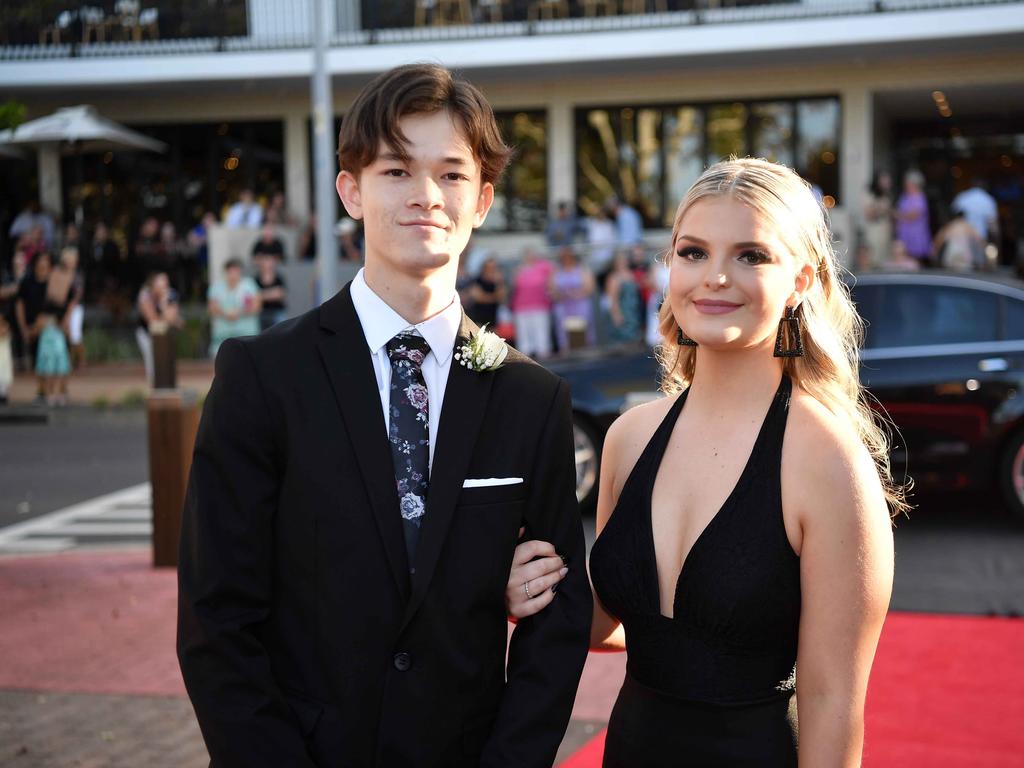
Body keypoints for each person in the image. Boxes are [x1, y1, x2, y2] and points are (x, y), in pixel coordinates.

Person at [177, 63, 591, 768]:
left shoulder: (532, 396)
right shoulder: (262, 376)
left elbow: (558, 622)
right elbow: (217, 619)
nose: (426, 195)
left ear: (483, 199)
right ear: (352, 190)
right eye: (396, 170)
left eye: (452, 175)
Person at [506, 158, 900, 766]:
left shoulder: (828, 461)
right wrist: (528, 585)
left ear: (801, 280)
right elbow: (620, 623)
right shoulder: (630, 437)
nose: (714, 277)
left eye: (751, 255)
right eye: (692, 252)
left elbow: (832, 700)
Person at [136, 271, 183, 385]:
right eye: (160, 284)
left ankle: (166, 386)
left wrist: (164, 303)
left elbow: (175, 318)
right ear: (153, 284)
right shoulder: (145, 295)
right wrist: (166, 312)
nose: (164, 287)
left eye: (165, 284)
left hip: (165, 335)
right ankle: (154, 387)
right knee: (152, 361)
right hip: (146, 334)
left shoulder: (171, 294)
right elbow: (152, 320)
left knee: (167, 361)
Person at [550, 245, 596, 352]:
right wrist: (560, 295)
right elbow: (551, 289)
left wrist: (577, 294)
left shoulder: (582, 269)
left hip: (579, 307)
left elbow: (590, 288)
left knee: (582, 334)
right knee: (565, 336)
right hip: (564, 307)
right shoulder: (556, 272)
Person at [511, 247, 554, 359]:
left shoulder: (544, 266)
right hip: (521, 307)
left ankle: (544, 356)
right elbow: (515, 286)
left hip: (540, 305)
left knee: (541, 333)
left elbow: (551, 281)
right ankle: (525, 359)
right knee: (524, 335)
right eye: (527, 255)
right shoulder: (519, 270)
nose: (529, 257)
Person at [895, 169, 932, 266]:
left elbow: (914, 215)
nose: (906, 185)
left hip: (916, 235)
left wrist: (898, 214)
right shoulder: (905, 196)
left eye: (908, 183)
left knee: (916, 260)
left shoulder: (919, 197)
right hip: (904, 233)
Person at [604, 250, 641, 344]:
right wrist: (616, 314)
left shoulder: (631, 275)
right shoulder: (614, 277)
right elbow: (613, 299)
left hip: (632, 311)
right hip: (623, 311)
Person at [862, 170, 893, 269]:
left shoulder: (886, 194)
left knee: (884, 258)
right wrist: (881, 209)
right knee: (873, 257)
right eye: (884, 179)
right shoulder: (869, 194)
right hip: (874, 230)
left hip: (885, 230)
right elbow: (868, 214)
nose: (887, 182)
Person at [951, 179, 999, 244]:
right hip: (980, 239)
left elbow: (952, 218)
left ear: (972, 185)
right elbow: (993, 226)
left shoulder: (962, 196)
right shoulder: (988, 199)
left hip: (961, 238)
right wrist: (996, 243)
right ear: (985, 186)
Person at [467, 256, 506, 329]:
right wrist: (494, 297)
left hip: (493, 319)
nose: (491, 270)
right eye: (489, 268)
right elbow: (479, 298)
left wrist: (499, 282)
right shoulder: (477, 280)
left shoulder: (498, 282)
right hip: (478, 318)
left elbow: (502, 297)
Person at [254, 251, 287, 330]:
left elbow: (280, 294)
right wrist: (272, 293)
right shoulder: (256, 278)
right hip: (261, 312)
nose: (267, 264)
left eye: (270, 261)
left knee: (280, 333)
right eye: (265, 260)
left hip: (277, 311)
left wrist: (263, 294)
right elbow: (255, 296)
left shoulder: (278, 278)